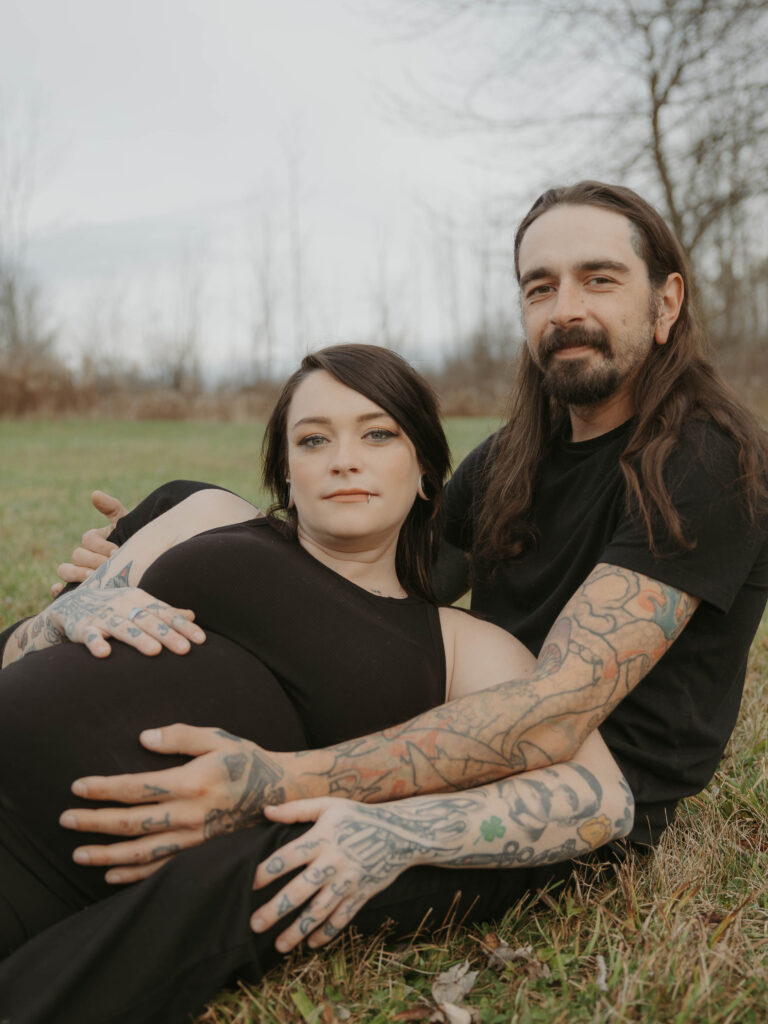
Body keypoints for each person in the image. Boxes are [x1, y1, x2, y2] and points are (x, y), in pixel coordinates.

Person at [25, 181, 767, 953]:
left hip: (567, 797)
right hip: (446, 729)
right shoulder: (520, 453)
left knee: (249, 860)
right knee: (194, 505)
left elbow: (555, 716)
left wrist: (281, 780)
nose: (565, 308)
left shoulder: (706, 460)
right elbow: (362, 583)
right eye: (539, 287)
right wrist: (157, 554)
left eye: (599, 279)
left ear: (666, 302)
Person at [0, 344, 630, 1023]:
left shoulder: (459, 646)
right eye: (313, 439)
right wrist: (63, 615)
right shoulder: (204, 514)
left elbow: (602, 798)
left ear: (424, 472)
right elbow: (22, 648)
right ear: (287, 473)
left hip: (49, 878)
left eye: (378, 433)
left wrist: (398, 835)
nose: (343, 459)